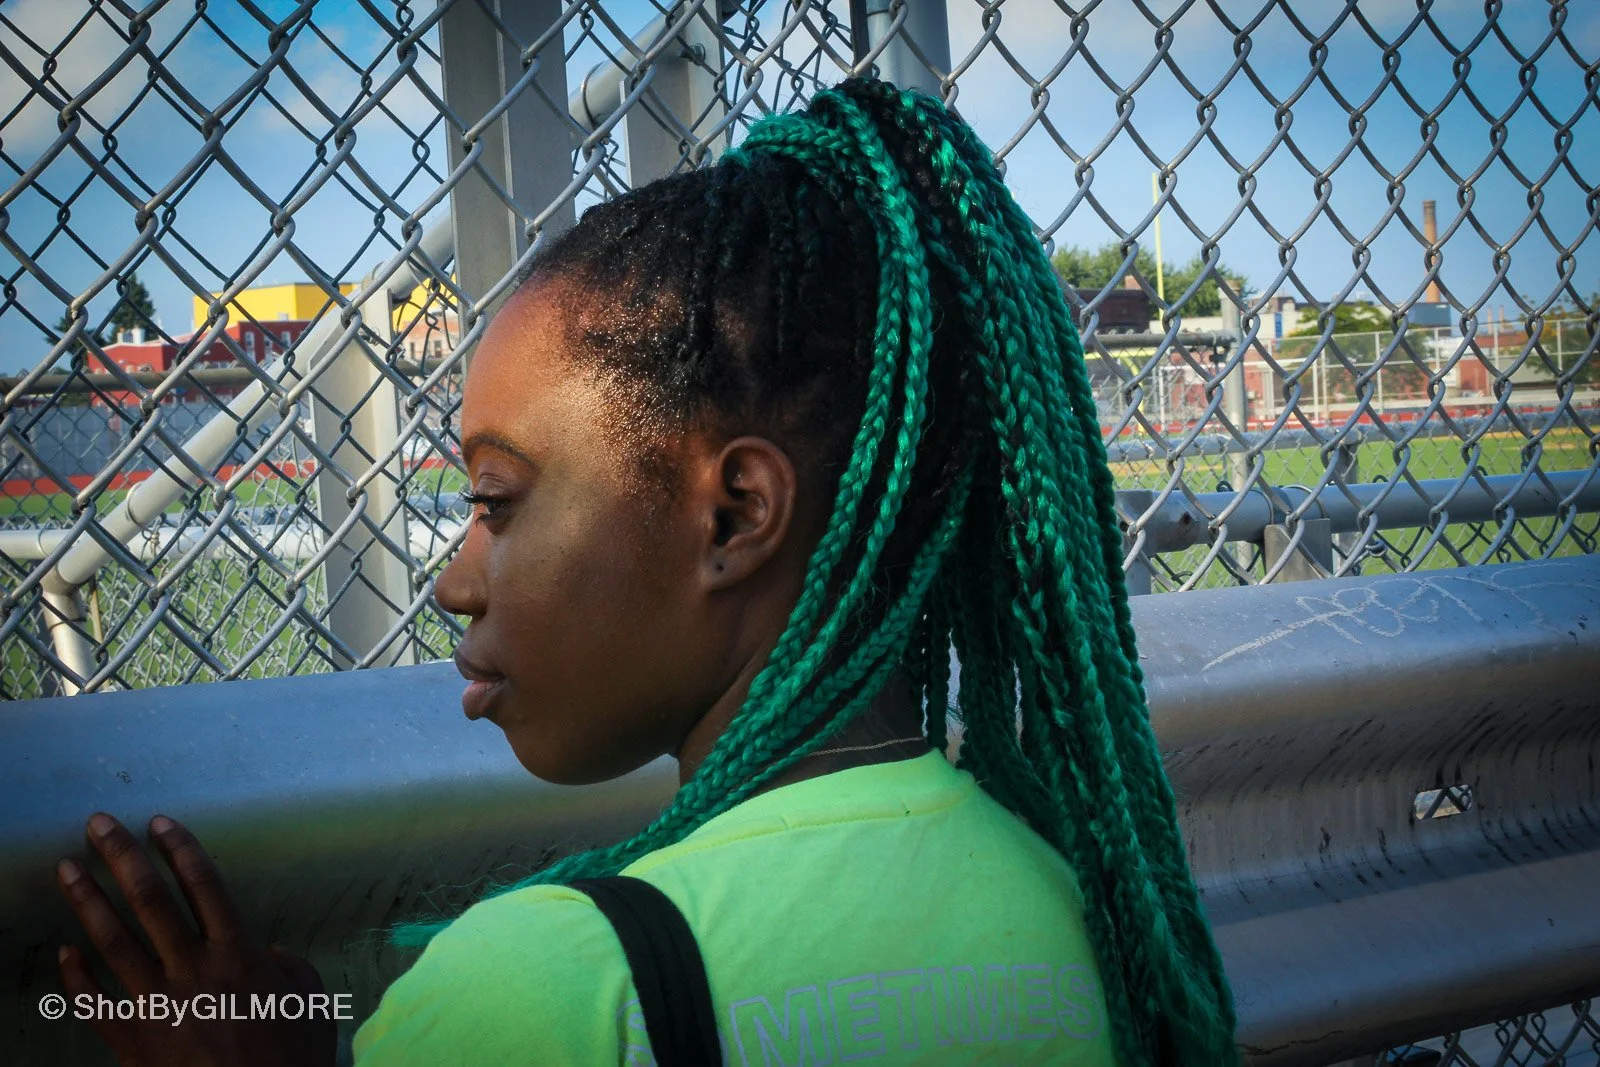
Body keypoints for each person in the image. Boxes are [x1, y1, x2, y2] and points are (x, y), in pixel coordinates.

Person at [53, 79, 1237, 1066]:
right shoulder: (1074, 901)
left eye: (494, 502)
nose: (455, 580)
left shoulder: (553, 987)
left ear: (733, 515)